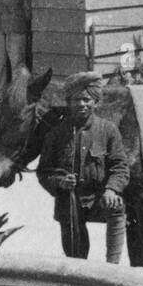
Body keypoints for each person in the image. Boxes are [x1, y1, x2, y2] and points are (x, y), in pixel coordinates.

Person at [37, 74, 129, 263]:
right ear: (69, 102)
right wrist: (60, 182)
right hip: (69, 200)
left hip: (99, 197)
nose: (81, 104)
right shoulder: (57, 133)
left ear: (95, 102)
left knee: (117, 206)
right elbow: (43, 171)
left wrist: (111, 189)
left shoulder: (108, 130)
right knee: (75, 259)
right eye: (76, 100)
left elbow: (120, 166)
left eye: (86, 99)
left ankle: (112, 267)